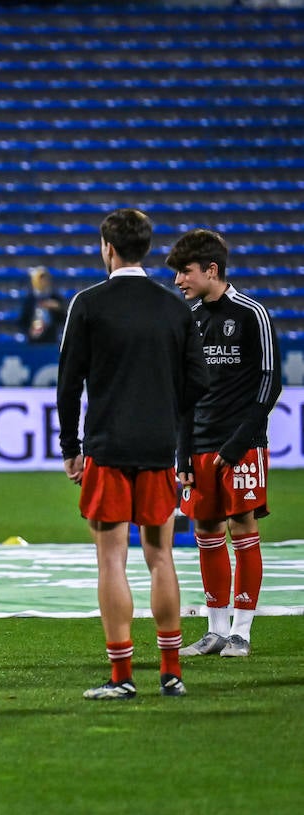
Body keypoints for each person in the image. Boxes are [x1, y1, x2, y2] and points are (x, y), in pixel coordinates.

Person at [56, 208, 209, 700]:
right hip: (158, 448)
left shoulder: (89, 304)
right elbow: (198, 384)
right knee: (161, 556)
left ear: (108, 247)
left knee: (111, 562)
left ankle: (122, 677)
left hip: (108, 447)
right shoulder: (174, 309)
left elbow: (68, 384)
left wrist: (71, 449)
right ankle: (171, 672)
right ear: (145, 248)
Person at [168, 229, 282, 658]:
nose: (179, 281)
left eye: (185, 272)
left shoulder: (252, 313)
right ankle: (215, 630)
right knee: (206, 531)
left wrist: (237, 445)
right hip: (198, 444)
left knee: (242, 528)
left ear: (211, 270)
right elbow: (183, 392)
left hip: (242, 443)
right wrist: (183, 454)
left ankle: (242, 631)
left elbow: (270, 384)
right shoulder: (189, 317)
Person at [16, 266, 66, 343]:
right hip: (33, 338)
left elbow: (64, 319)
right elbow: (22, 320)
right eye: (41, 279)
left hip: (51, 337)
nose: (44, 282)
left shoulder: (55, 298)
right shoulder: (30, 299)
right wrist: (29, 330)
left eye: (46, 279)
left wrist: (58, 308)